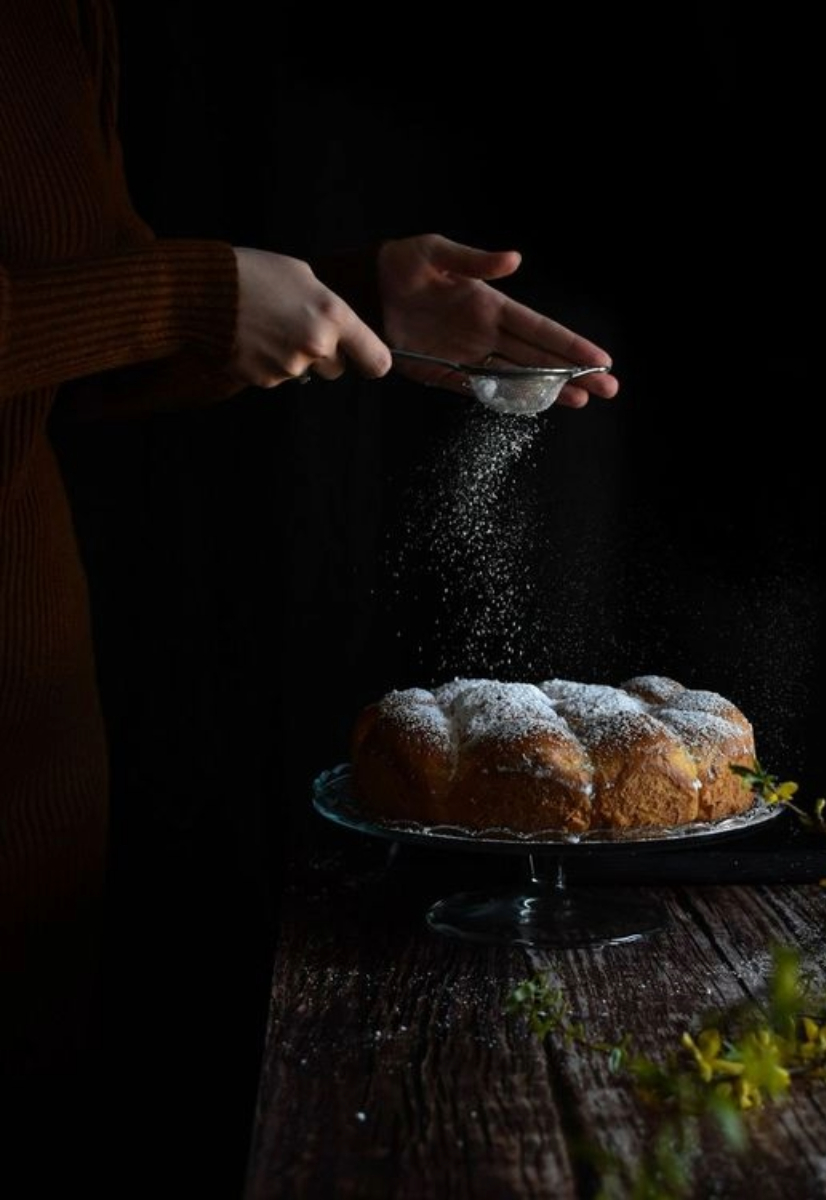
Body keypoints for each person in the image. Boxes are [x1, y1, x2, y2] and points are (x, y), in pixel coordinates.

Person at [0, 0, 617, 1154]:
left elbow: (65, 360)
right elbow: (138, 303)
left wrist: (356, 296)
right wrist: (194, 295)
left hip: (36, 766)